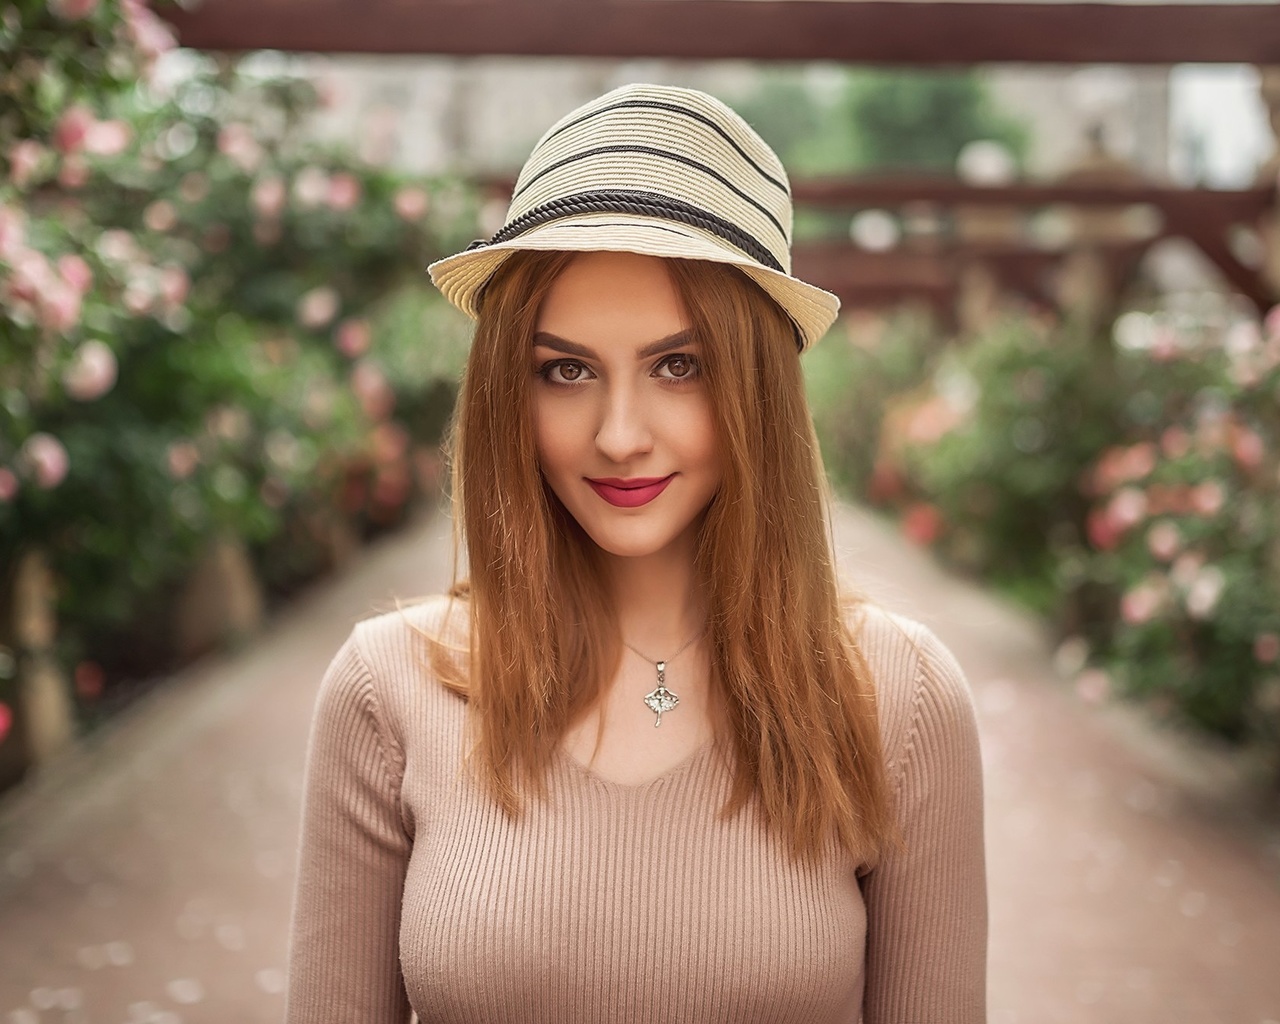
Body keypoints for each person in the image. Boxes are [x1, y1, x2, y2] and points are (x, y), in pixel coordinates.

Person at [285, 83, 986, 1024]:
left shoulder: (896, 698)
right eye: (566, 370)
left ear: (759, 387)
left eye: (678, 366)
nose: (620, 435)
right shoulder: (389, 691)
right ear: (509, 389)